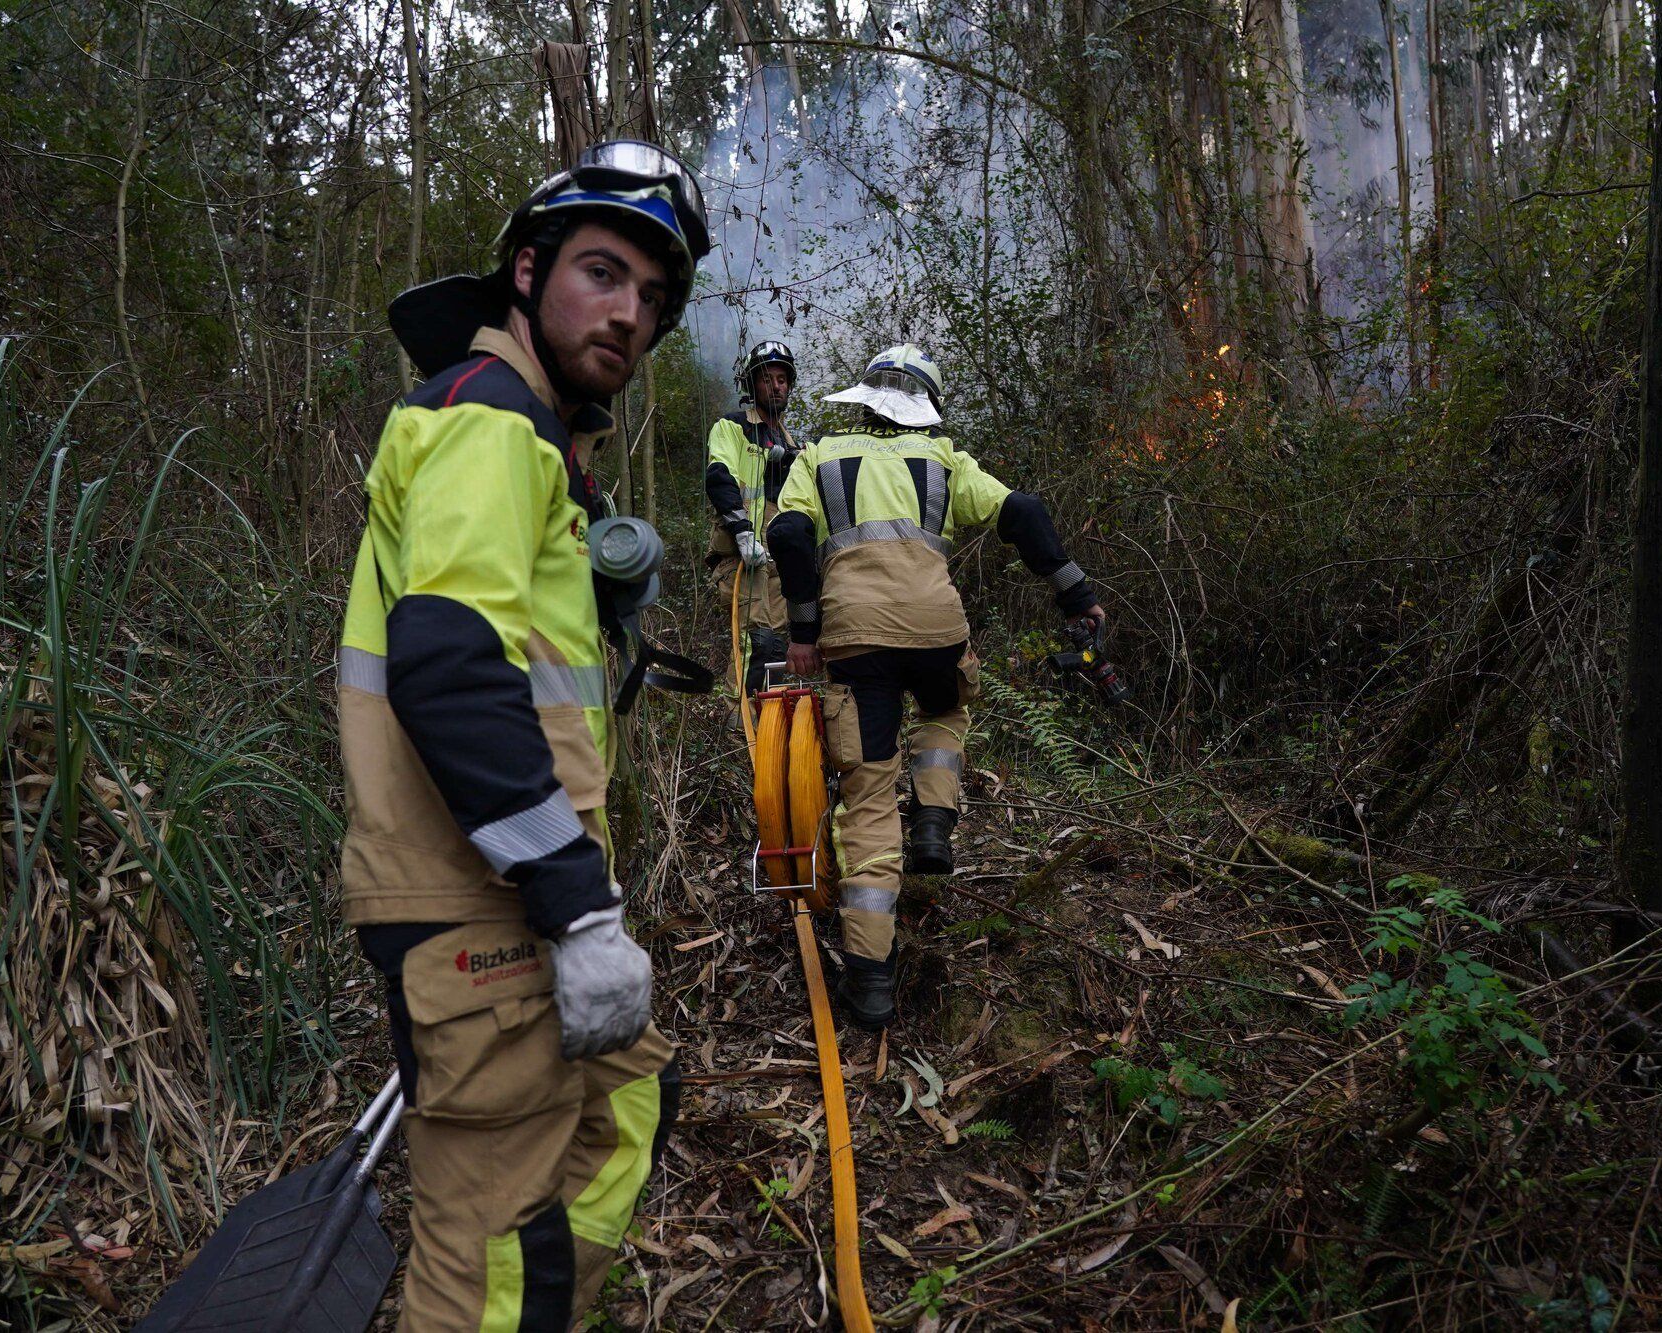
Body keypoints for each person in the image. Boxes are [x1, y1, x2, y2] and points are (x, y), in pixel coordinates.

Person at [337, 140, 710, 1332]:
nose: (628, 313)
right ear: (527, 271)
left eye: (651, 297)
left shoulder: (532, 442)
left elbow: (505, 649)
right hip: (480, 901)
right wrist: (578, 907)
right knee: (491, 1246)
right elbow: (448, 665)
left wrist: (591, 597)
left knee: (621, 1108)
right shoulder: (489, 421)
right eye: (602, 273)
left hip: (511, 890)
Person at [766, 343, 1105, 1030]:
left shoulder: (820, 455)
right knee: (946, 708)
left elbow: (792, 534)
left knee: (866, 798)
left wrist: (803, 631)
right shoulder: (944, 458)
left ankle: (870, 980)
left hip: (855, 641)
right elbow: (1024, 511)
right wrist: (1075, 593)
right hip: (936, 631)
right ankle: (931, 822)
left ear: (866, 401)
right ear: (924, 407)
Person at [704, 340, 802, 694]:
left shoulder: (792, 446)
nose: (775, 386)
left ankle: (768, 719)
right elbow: (720, 477)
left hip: (776, 563)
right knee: (755, 643)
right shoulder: (732, 427)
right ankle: (739, 718)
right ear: (752, 384)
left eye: (781, 379)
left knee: (775, 648)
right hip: (743, 555)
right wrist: (743, 531)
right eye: (766, 379)